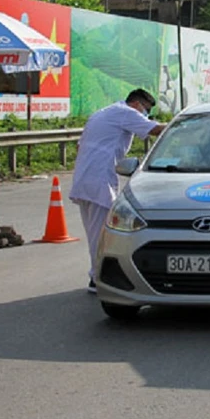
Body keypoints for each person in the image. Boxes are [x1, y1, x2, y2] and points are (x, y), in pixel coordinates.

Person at [69, 88, 166, 293]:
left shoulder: (104, 112)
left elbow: (80, 146)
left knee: (94, 232)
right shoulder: (126, 113)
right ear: (137, 104)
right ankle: (98, 279)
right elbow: (156, 130)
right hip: (98, 180)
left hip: (85, 178)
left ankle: (96, 275)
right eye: (146, 110)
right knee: (102, 234)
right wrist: (183, 125)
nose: (145, 115)